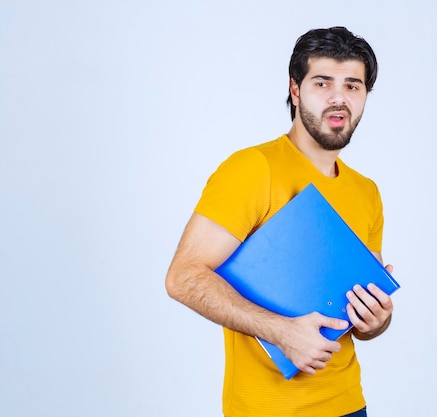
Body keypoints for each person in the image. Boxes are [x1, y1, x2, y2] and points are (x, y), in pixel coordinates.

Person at [165, 26, 394, 417]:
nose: (339, 97)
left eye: (353, 86)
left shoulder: (366, 192)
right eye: (323, 82)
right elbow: (183, 277)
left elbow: (359, 322)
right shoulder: (253, 169)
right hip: (267, 409)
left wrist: (377, 320)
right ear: (295, 90)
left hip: (349, 405)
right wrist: (281, 331)